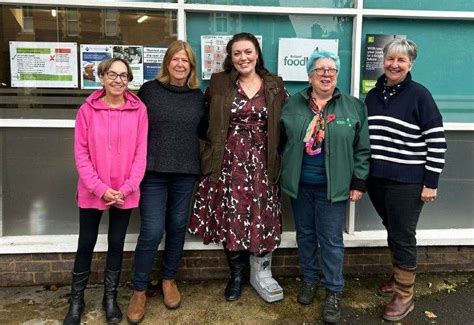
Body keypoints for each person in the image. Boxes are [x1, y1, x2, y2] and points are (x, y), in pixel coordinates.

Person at [188, 32, 287, 303]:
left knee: (260, 214)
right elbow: (202, 122)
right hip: (228, 160)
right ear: (230, 58)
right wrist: (205, 152)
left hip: (263, 163)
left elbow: (284, 124)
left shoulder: (275, 84)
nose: (243, 58)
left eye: (248, 52)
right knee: (231, 215)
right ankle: (236, 276)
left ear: (257, 54)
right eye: (237, 53)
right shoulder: (219, 83)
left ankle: (260, 274)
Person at [280, 50, 370, 323]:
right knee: (306, 235)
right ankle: (310, 279)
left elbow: (362, 149)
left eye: (331, 69)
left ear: (337, 74)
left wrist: (358, 181)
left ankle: (334, 290)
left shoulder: (353, 106)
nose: (326, 74)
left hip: (334, 188)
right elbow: (279, 142)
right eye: (320, 69)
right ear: (309, 75)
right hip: (301, 186)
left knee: (331, 240)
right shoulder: (293, 104)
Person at [364, 38, 447, 322]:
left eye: (401, 60)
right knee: (392, 228)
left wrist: (431, 182)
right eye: (390, 59)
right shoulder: (373, 96)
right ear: (382, 61)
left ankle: (404, 294)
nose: (394, 64)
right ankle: (398, 275)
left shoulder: (419, 95)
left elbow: (436, 141)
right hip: (378, 179)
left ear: (410, 64)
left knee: (403, 234)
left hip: (407, 181)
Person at [64, 57, 148, 325]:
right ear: (101, 77)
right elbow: (81, 154)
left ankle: (109, 298)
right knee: (86, 243)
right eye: (112, 74)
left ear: (129, 81)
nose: (118, 80)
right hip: (92, 191)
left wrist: (125, 188)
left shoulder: (139, 111)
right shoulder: (87, 110)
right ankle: (76, 300)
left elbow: (140, 155)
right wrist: (100, 189)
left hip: (125, 192)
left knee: (116, 243)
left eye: (124, 76)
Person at [126, 40, 205, 324]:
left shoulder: (198, 96)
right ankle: (138, 290)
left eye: (185, 60)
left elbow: (207, 131)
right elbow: (130, 124)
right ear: (167, 63)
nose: (180, 64)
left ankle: (169, 279)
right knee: (151, 230)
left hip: (185, 173)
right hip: (153, 173)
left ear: (192, 66)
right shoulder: (149, 91)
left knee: (176, 227)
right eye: (175, 59)